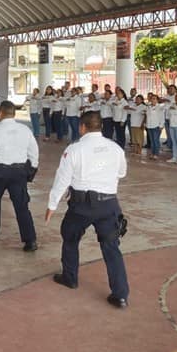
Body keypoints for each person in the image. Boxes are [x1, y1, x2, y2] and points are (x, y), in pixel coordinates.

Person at [45, 111, 129, 308]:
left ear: (82, 127)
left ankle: (70, 277)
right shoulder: (115, 148)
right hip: (108, 204)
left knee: (70, 238)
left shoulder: (74, 149)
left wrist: (52, 205)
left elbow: (62, 179)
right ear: (100, 126)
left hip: (81, 205)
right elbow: (122, 173)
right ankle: (121, 295)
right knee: (111, 248)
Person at [0, 101, 39, 251]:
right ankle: (30, 240)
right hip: (19, 173)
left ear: (0, 113)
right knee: (22, 207)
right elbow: (34, 152)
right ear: (14, 113)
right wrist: (31, 170)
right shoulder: (25, 130)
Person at [145, 95, 164, 160]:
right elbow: (147, 116)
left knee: (156, 141)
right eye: (152, 99)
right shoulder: (148, 107)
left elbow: (162, 117)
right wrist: (146, 124)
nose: (153, 100)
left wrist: (161, 126)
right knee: (152, 141)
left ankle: (156, 154)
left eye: (154, 99)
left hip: (156, 126)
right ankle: (152, 153)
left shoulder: (159, 107)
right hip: (149, 126)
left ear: (157, 100)